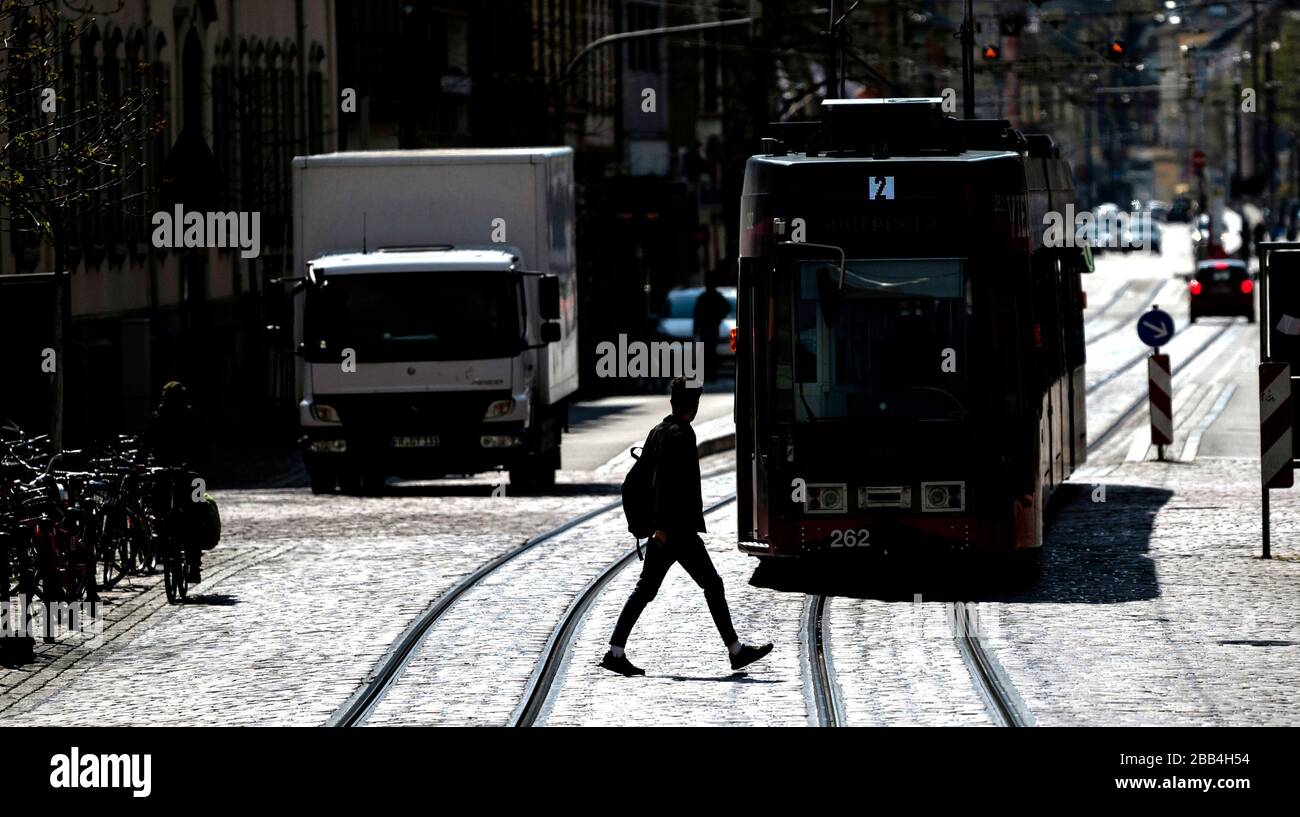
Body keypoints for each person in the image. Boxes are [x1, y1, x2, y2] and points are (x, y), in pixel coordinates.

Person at [601, 377, 772, 676]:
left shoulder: (658, 431)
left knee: (646, 590)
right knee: (711, 584)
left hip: (665, 529)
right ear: (693, 407)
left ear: (672, 403)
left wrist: (656, 526)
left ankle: (615, 652)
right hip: (676, 530)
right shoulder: (681, 435)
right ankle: (735, 651)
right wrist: (664, 527)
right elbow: (667, 484)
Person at [145, 381, 207, 584]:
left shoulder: (163, 417)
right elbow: (145, 446)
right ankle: (192, 563)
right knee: (193, 512)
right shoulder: (187, 416)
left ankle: (193, 563)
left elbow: (145, 447)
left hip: (181, 472)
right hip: (183, 472)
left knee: (194, 511)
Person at [692, 284, 730, 383]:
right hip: (709, 328)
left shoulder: (707, 297)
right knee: (709, 352)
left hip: (709, 328)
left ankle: (710, 374)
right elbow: (697, 314)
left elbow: (697, 314)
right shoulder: (710, 297)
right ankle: (709, 374)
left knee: (708, 352)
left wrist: (718, 318)